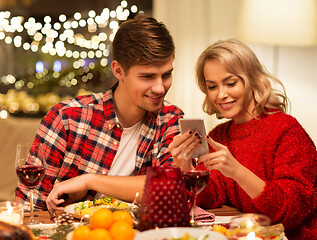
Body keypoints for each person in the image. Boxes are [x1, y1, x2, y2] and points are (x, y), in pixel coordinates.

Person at [15, 15, 184, 211]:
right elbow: (28, 207)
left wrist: (89, 181)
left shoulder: (170, 119)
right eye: (147, 77)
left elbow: (170, 188)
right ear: (118, 70)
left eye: (166, 74)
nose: (160, 88)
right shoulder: (66, 118)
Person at [168, 39, 317, 239]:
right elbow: (210, 197)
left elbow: (290, 212)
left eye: (230, 83)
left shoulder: (287, 130)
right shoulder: (220, 135)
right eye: (212, 86)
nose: (221, 95)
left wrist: (237, 171)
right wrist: (184, 165)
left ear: (252, 80)